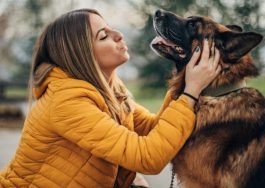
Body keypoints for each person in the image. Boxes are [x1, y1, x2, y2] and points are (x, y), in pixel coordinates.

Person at [0, 8, 220, 188]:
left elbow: (153, 129)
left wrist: (182, 82)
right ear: (82, 54)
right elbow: (148, 157)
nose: (119, 35)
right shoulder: (67, 102)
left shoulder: (110, 89)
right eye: (103, 36)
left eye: (110, 28)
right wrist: (190, 91)